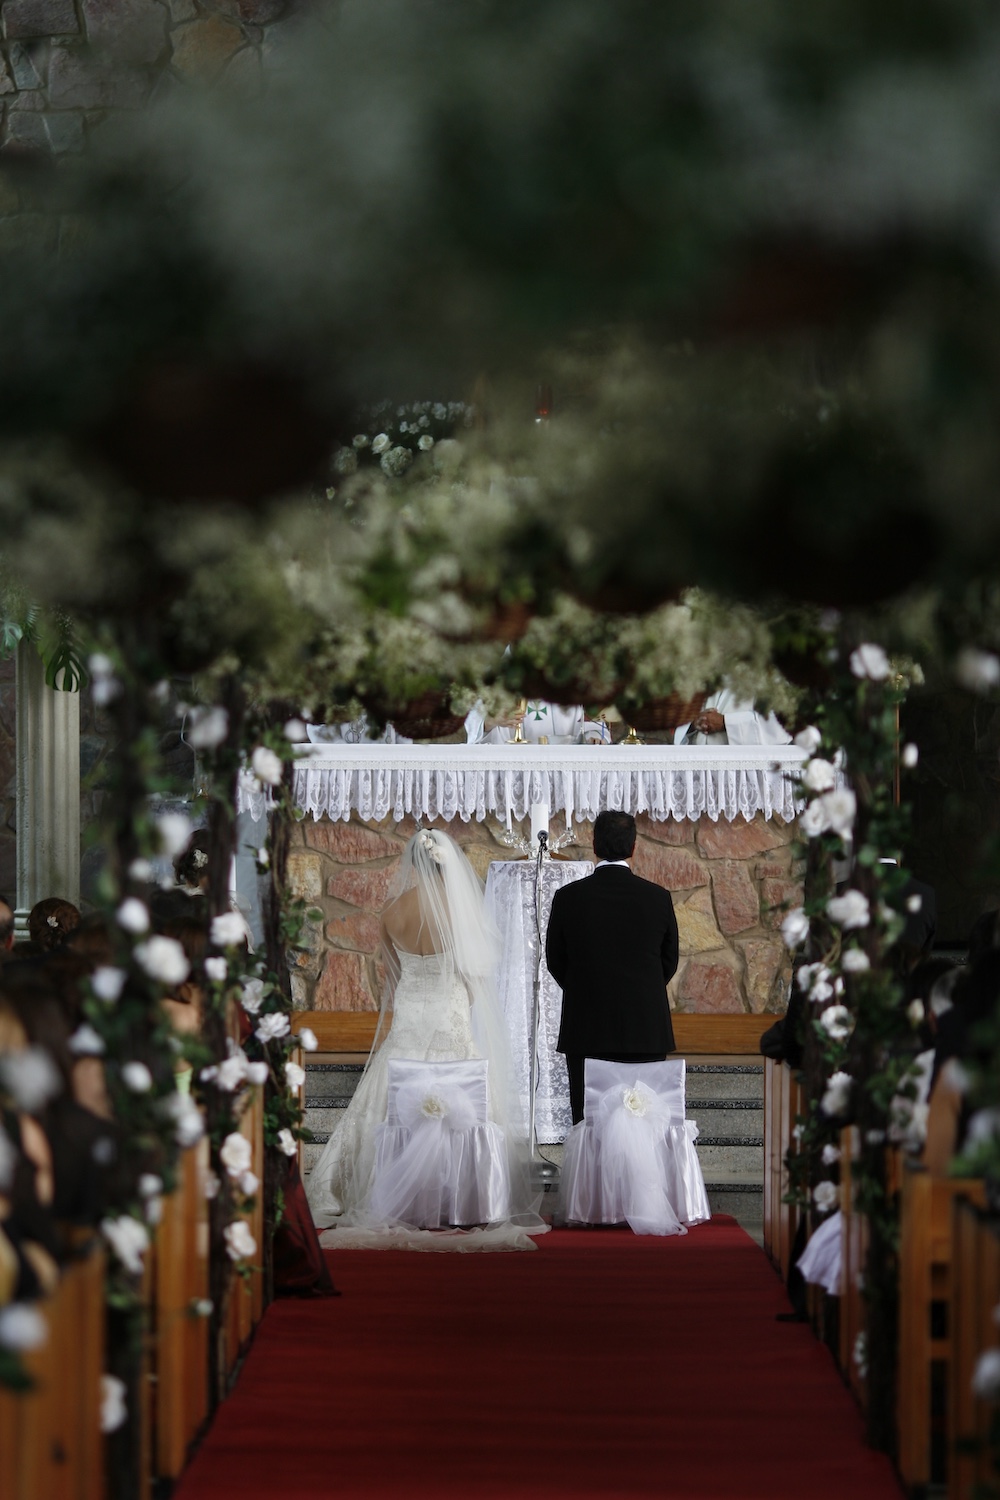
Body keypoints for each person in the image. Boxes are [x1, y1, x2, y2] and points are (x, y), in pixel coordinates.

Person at [306, 826, 541, 1245]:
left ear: (412, 863)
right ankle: (466, 1196)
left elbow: (392, 976)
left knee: (384, 1102)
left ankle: (371, 1191)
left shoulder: (392, 911)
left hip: (410, 1014)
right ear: (446, 861)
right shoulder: (462, 912)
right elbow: (474, 978)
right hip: (450, 1012)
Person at [545, 810, 679, 1124]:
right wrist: (641, 990)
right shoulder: (658, 898)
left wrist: (585, 988)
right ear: (633, 847)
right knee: (644, 1119)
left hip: (587, 1026)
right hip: (645, 1028)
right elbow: (668, 961)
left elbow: (556, 960)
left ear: (594, 845)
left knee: (590, 1120)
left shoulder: (568, 898)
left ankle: (590, 1175)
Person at [674, 687, 791, 746]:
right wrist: (694, 723)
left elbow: (784, 724)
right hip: (699, 767)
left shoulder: (772, 669)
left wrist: (726, 723)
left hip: (745, 774)